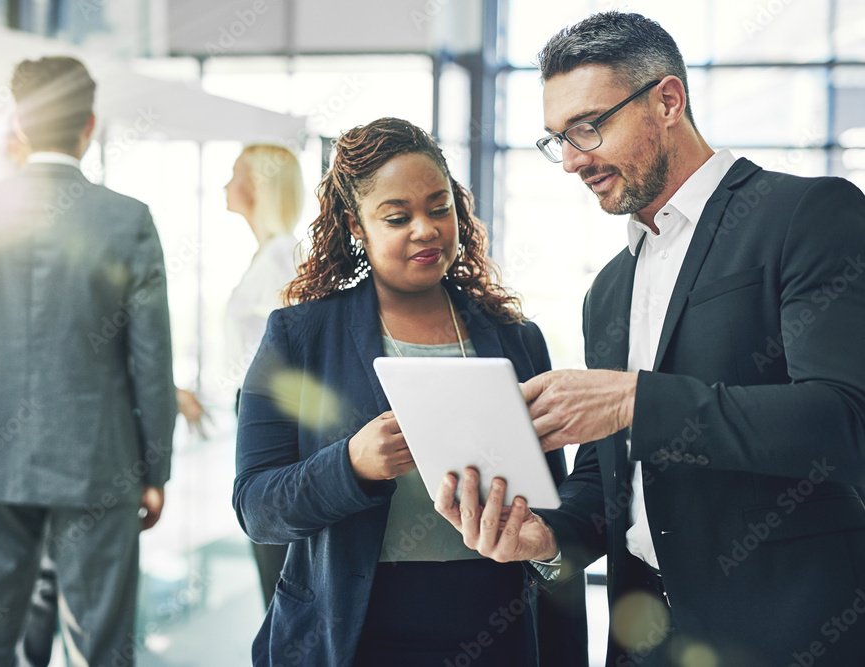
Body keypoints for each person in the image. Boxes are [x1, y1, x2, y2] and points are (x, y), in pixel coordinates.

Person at [435, 11, 865, 667]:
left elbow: (843, 418)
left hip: (786, 638)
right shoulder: (608, 289)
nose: (574, 161)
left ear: (668, 100)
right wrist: (548, 536)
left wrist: (636, 399)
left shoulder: (807, 215)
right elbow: (609, 478)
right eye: (559, 139)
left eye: (588, 126)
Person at [233, 117, 586, 666]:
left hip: (499, 628)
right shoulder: (299, 337)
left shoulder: (518, 340)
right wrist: (350, 465)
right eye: (397, 217)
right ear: (356, 225)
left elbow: (551, 505)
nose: (425, 229)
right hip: (354, 634)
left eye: (439, 207)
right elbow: (256, 507)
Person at [0, 56, 177, 666]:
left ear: (21, 126)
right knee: (100, 649)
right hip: (101, 461)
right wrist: (155, 467)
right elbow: (151, 358)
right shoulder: (128, 219)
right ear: (88, 126)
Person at [223, 143, 305, 609]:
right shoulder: (268, 254)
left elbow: (296, 353)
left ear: (258, 185)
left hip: (272, 413)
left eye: (235, 174)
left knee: (273, 553)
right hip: (255, 405)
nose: (225, 185)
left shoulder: (279, 257)